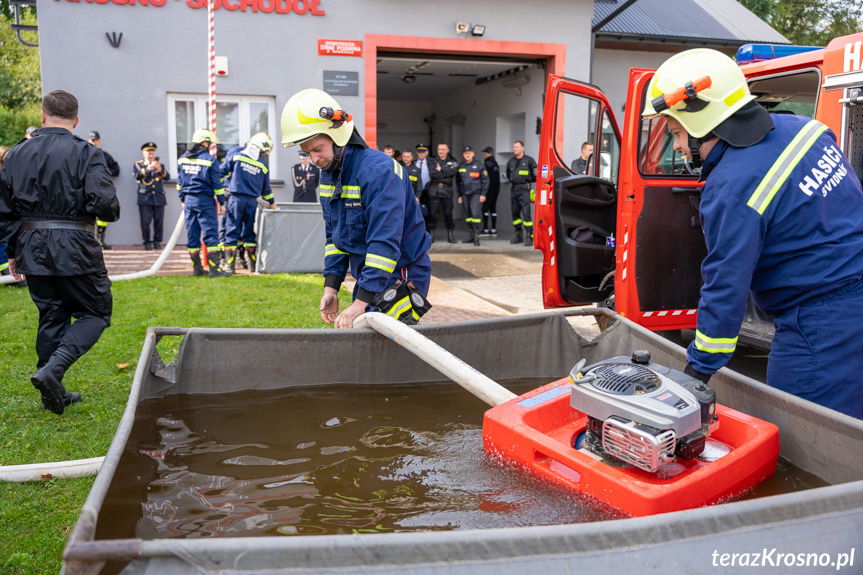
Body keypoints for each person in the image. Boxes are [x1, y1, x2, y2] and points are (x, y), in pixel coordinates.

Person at [644, 48, 863, 418]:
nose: (678, 146)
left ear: (703, 121)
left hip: (821, 322)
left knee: (804, 440)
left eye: (677, 132)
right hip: (848, 298)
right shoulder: (806, 129)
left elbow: (726, 284)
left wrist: (697, 372)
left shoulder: (731, 188)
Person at [0, 90, 120, 414]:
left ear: (42, 116)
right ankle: (53, 372)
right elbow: (106, 206)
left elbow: (5, 211)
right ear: (76, 120)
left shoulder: (15, 155)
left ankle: (52, 393)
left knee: (51, 314)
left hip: (31, 246)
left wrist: (12, 252)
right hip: (76, 245)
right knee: (96, 312)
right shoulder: (87, 153)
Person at [280, 88, 432, 328]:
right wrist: (331, 286)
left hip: (400, 273)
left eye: (317, 149)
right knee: (367, 343)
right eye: (307, 152)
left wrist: (360, 303)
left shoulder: (379, 172)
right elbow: (335, 238)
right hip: (369, 276)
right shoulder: (331, 173)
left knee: (390, 349)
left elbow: (385, 242)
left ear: (339, 136)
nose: (314, 160)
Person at [220, 132, 276, 274]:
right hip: (252, 202)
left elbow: (221, 172)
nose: (263, 154)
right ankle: (252, 265)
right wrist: (272, 202)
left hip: (235, 199)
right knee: (249, 232)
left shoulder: (237, 156)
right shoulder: (263, 165)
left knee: (232, 230)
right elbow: (266, 189)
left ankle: (230, 266)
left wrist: (218, 189)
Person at [176, 128, 229, 277]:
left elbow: (180, 183)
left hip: (188, 201)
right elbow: (217, 185)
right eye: (210, 143)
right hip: (204, 201)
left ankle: (197, 270)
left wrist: (182, 198)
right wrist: (222, 202)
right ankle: (214, 270)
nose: (211, 145)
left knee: (192, 235)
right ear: (204, 142)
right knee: (210, 234)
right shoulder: (210, 160)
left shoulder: (182, 159)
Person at [132, 142, 169, 250]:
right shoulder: (139, 164)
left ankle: (157, 241)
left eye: (152, 152)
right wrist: (148, 168)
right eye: (148, 152)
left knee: (159, 221)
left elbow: (167, 177)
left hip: (158, 196)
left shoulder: (160, 164)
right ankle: (147, 242)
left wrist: (160, 170)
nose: (150, 155)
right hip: (145, 197)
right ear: (143, 153)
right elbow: (137, 176)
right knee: (145, 222)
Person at [88, 130, 120, 249]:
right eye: (92, 140)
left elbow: (116, 170)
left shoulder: (104, 156)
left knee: (102, 217)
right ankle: (92, 242)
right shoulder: (84, 154)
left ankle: (101, 241)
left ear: (99, 141)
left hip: (102, 191)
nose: (94, 142)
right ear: (88, 140)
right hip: (87, 191)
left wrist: (104, 174)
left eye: (95, 140)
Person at [505, 140, 537, 246]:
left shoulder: (529, 161)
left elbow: (536, 175)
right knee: (515, 213)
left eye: (517, 147)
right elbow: (508, 175)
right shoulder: (510, 162)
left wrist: (528, 182)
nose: (515, 149)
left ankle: (529, 237)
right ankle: (518, 236)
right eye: (514, 147)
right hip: (514, 190)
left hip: (525, 190)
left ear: (522, 148)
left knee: (526, 214)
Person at [427, 142, 459, 244]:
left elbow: (453, 173)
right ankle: (431, 235)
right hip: (434, 190)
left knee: (448, 213)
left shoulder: (453, 161)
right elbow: (433, 174)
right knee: (433, 214)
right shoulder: (432, 161)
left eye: (443, 149)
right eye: (439, 149)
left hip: (447, 191)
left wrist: (441, 169)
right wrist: (446, 174)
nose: (441, 151)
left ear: (447, 150)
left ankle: (450, 234)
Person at [456, 146, 489, 246]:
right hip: (465, 194)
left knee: (475, 215)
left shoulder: (479, 165)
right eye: (465, 153)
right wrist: (459, 195)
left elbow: (486, 180)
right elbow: (458, 182)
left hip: (476, 194)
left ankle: (477, 237)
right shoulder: (461, 166)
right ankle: (470, 236)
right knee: (468, 216)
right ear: (463, 154)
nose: (467, 154)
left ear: (473, 154)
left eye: (469, 152)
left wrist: (483, 194)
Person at [481, 146, 500, 234]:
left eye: (485, 153)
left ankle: (485, 229)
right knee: (493, 209)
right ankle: (493, 229)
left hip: (488, 190)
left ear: (488, 153)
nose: (484, 154)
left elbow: (485, 177)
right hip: (496, 190)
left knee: (485, 209)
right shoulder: (495, 163)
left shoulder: (487, 163)